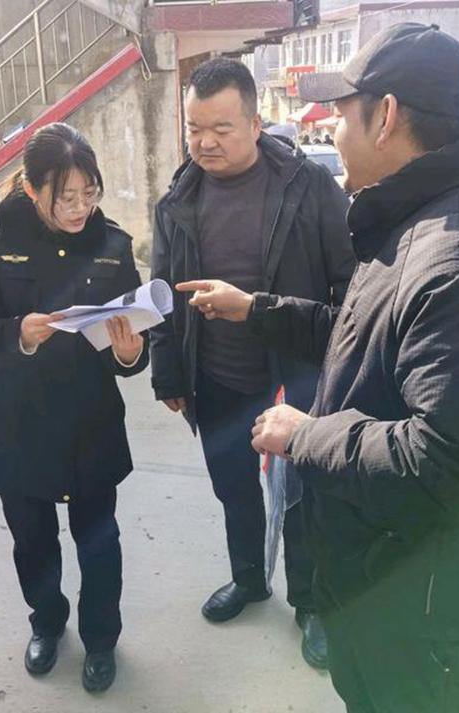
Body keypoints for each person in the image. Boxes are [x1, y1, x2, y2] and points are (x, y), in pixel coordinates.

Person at [177, 24, 459, 712]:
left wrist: (306, 434)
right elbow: (363, 335)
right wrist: (256, 309)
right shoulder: (422, 220)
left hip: (418, 609)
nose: (331, 131)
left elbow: (447, 461)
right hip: (389, 576)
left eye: (340, 113)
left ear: (385, 117)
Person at [150, 58, 354, 670]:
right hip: (216, 377)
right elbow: (161, 291)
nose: (205, 142)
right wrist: (168, 370)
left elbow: (350, 288)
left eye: (222, 128)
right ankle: (248, 578)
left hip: (296, 376)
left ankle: (310, 602)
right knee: (234, 488)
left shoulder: (308, 187)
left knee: (301, 497)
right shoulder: (179, 197)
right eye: (194, 128)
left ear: (256, 124)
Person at [0, 124, 148, 694]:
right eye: (66, 197)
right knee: (32, 540)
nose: (80, 208)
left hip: (89, 423)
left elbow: (133, 340)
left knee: (99, 540)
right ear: (32, 189)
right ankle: (47, 621)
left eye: (89, 193)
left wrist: (130, 353)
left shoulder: (112, 246)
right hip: (18, 424)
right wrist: (17, 334)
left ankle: (101, 639)